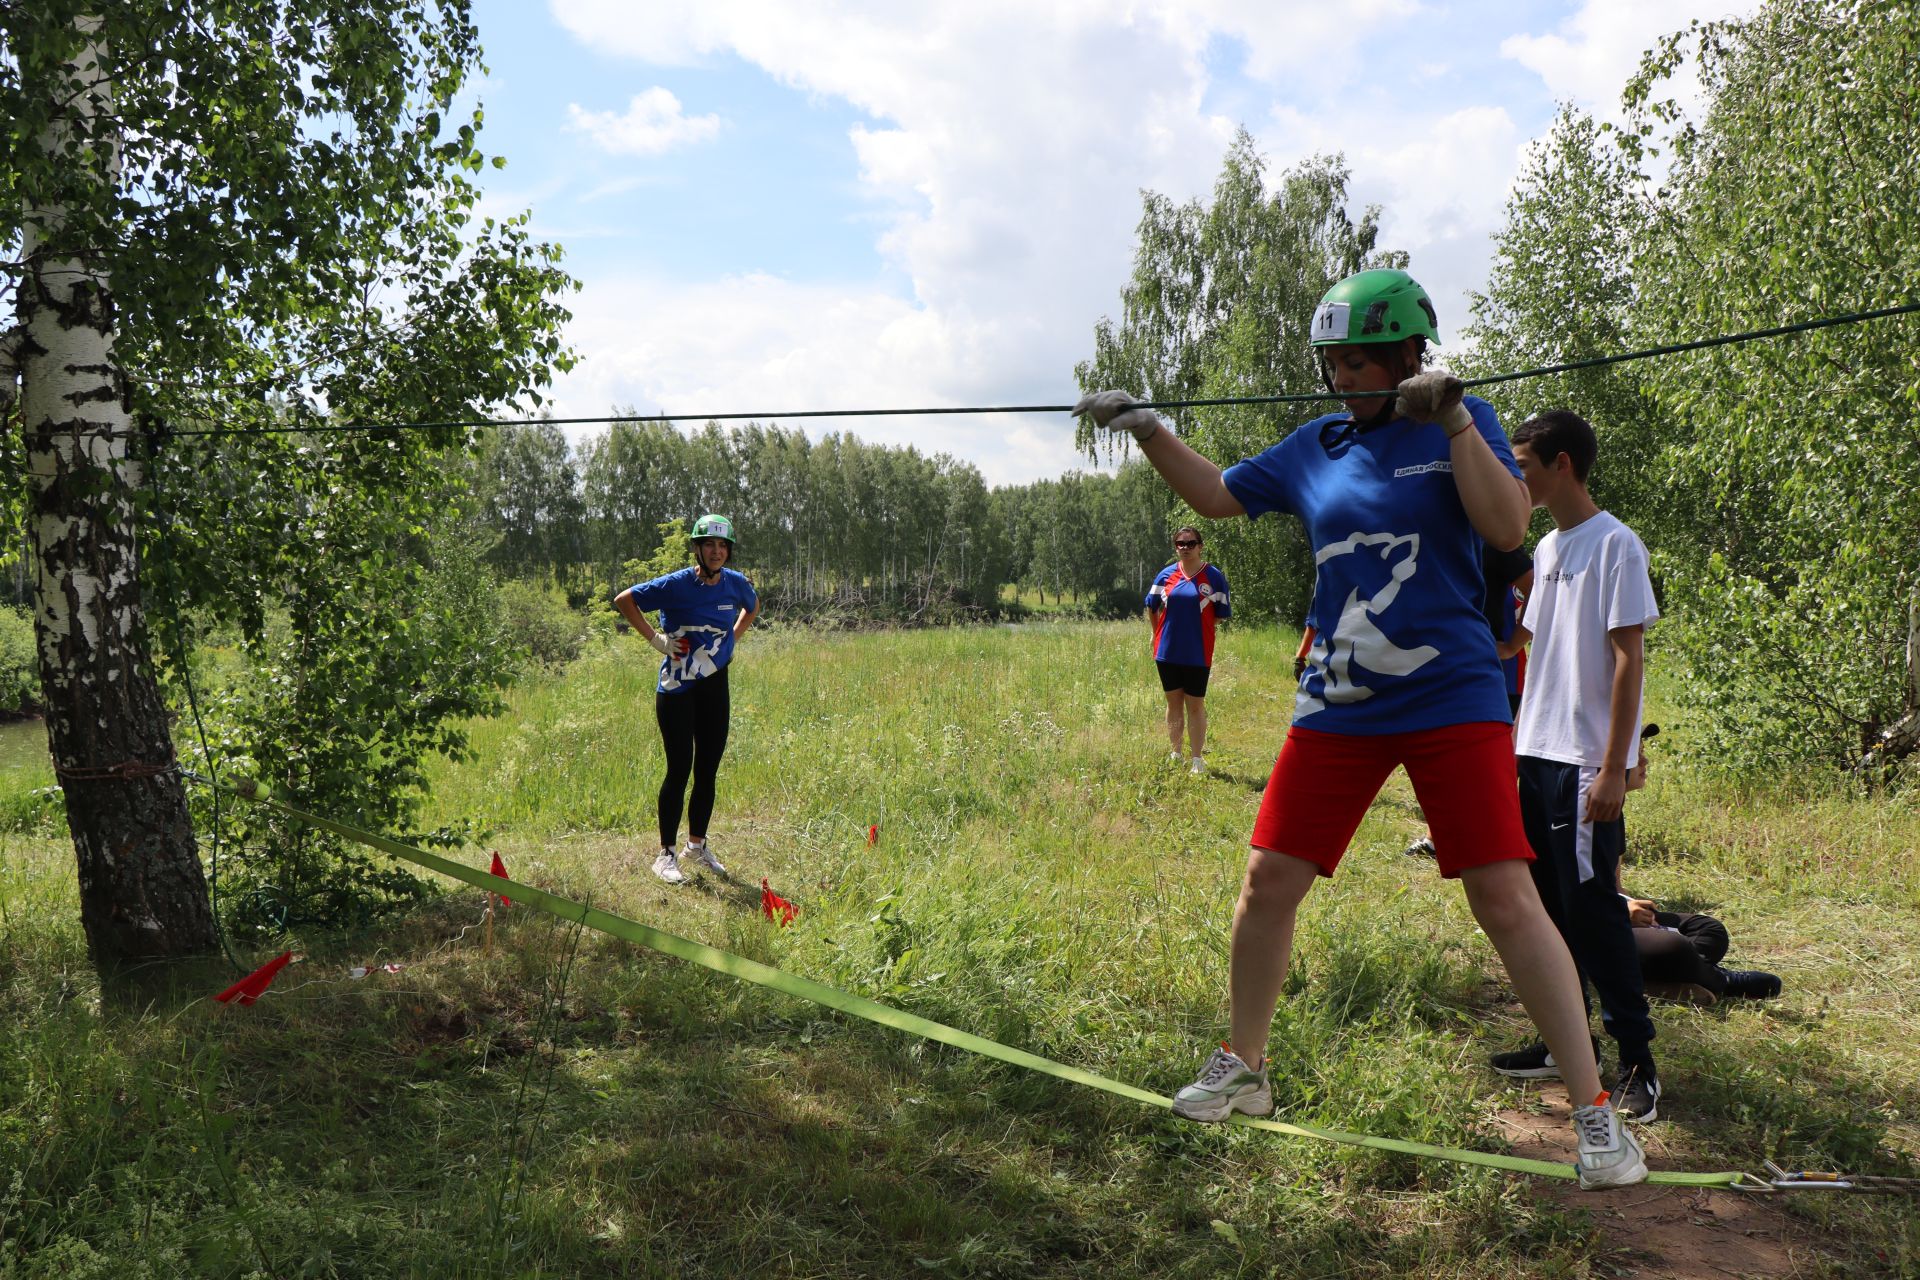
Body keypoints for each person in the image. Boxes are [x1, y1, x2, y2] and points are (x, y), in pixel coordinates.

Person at [1074, 269, 1646, 1189]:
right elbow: (1218, 496)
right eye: (1332, 361)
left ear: (1410, 355)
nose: (1341, 376)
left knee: (1504, 896)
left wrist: (1454, 421)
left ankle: (1594, 1115)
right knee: (1267, 881)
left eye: (1359, 360)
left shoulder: (1468, 422)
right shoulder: (1316, 446)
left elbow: (1507, 526)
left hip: (1451, 694)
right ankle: (1245, 1068)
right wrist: (1150, 430)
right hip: (1338, 700)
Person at [1490, 410, 1664, 1123]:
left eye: (1523, 465)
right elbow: (1518, 643)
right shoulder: (1551, 547)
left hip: (1582, 763)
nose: (1516, 478)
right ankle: (1563, 1041)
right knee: (1546, 911)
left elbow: (1629, 660)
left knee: (1594, 915)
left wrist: (1618, 765)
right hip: (1533, 753)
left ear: (1562, 464)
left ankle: (1638, 1064)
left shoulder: (1615, 544)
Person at [613, 514, 758, 885]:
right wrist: (655, 640)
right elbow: (625, 600)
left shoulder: (735, 584)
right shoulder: (676, 584)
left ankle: (697, 846)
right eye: (709, 544)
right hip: (677, 689)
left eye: (722, 546)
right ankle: (666, 855)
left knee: (707, 770)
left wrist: (732, 640)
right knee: (679, 770)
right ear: (697, 548)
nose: (716, 551)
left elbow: (752, 607)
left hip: (715, 686)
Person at [1145, 526, 1231, 775]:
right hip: (1167, 651)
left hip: (1198, 651)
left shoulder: (1214, 577)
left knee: (1195, 705)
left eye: (1190, 543)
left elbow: (1219, 616)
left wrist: (1197, 627)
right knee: (1173, 703)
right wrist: (1155, 634)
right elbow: (1152, 607)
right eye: (1180, 544)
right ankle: (1175, 753)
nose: (1185, 548)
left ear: (1200, 546)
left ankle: (1196, 759)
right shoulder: (1165, 575)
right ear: (1175, 547)